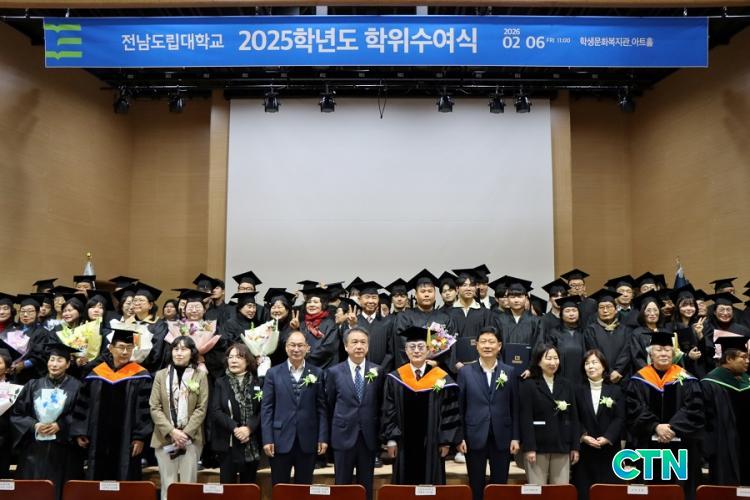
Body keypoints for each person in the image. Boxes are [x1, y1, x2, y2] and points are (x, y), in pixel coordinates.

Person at [626, 331, 703, 500]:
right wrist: (655, 426)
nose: (663, 353)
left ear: (673, 354)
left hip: (681, 448)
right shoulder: (639, 379)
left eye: (668, 350)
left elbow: (694, 409)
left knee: (679, 490)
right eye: (659, 350)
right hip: (647, 448)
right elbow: (634, 409)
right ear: (651, 354)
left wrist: (672, 428)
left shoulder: (687, 379)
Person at [381, 325, 460, 485]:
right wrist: (391, 440)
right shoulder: (395, 378)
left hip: (432, 444)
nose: (416, 351)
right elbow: (388, 410)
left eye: (420, 347)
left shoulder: (441, 378)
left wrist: (445, 441)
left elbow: (449, 411)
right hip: (403, 444)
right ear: (406, 350)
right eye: (412, 347)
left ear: (429, 350)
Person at [71, 328, 153, 480]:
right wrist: (81, 431)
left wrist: (140, 437)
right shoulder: (96, 373)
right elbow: (84, 404)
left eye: (129, 348)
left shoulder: (141, 375)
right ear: (110, 348)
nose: (125, 352)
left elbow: (144, 409)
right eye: (121, 347)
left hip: (127, 441)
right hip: (97, 439)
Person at [11, 342, 82, 500]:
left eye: (59, 360)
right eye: (52, 360)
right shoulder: (33, 385)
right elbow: (17, 414)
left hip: (63, 450)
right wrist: (34, 425)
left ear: (68, 364)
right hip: (35, 451)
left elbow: (82, 414)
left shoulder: (78, 387)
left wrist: (61, 425)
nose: (54, 364)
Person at [457, 326, 520, 500]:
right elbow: (460, 408)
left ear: (499, 346)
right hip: (474, 435)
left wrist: (515, 437)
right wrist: (460, 437)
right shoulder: (465, 372)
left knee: (499, 485)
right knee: (476, 484)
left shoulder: (509, 371)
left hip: (502, 436)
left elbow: (515, 407)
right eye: (483, 342)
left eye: (491, 342)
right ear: (476, 345)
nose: (487, 346)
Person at [260, 331, 328, 485]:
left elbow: (322, 408)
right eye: (292, 345)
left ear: (307, 348)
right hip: (279, 440)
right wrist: (267, 439)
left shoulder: (317, 373)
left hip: (308, 439)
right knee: (280, 487)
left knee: (304, 487)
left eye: (300, 345)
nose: (296, 349)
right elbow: (267, 409)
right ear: (286, 347)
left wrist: (322, 437)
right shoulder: (273, 373)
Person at [325, 327, 384, 500]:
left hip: (368, 437)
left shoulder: (378, 371)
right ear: (346, 346)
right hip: (343, 435)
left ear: (368, 346)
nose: (359, 346)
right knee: (342, 486)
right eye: (354, 342)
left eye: (363, 342)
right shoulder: (334, 372)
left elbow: (381, 404)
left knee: (366, 486)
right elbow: (330, 404)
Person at [150, 336, 209, 500]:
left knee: (188, 487)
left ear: (192, 353)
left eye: (184, 349)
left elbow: (201, 408)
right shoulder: (161, 375)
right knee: (167, 485)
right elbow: (154, 407)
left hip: (191, 439)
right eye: (175, 349)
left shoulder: (200, 376)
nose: (179, 353)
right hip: (164, 438)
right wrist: (172, 431)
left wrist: (185, 434)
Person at [519, 343, 580, 485]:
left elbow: (574, 417)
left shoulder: (567, 384)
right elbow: (525, 418)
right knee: (537, 490)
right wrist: (529, 448)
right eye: (548, 358)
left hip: (562, 445)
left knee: (560, 490)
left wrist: (575, 447)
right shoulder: (529, 384)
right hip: (537, 447)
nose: (553, 362)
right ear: (538, 361)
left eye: (556, 358)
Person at [572, 350, 625, 500]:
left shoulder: (616, 390)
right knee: (584, 492)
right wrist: (583, 436)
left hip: (609, 449)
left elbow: (620, 418)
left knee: (609, 493)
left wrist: (608, 437)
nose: (590, 366)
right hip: (585, 450)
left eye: (594, 362)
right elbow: (574, 417)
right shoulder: (577, 390)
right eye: (587, 363)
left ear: (604, 366)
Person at [700, 336, 750, 486]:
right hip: (723, 448)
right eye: (743, 357)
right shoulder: (709, 384)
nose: (747, 361)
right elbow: (705, 422)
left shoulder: (746, 381)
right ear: (729, 359)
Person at [210, 343, 262, 484]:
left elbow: (262, 410)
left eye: (239, 357)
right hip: (228, 442)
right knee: (227, 488)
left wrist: (249, 428)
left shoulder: (258, 382)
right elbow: (216, 411)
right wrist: (236, 428)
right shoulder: (220, 382)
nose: (233, 360)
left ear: (248, 361)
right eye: (230, 357)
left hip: (251, 441)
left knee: (248, 488)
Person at [491, 277, 542, 376]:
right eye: (512, 297)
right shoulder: (498, 320)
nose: (516, 300)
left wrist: (530, 368)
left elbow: (538, 346)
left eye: (520, 296)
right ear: (507, 299)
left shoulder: (536, 321)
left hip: (529, 373)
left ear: (526, 298)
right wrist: (501, 367)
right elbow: (495, 345)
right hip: (503, 372)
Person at [343, 282, 393, 374]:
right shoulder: (352, 322)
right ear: (359, 299)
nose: (371, 301)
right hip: (356, 373)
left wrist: (379, 370)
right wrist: (352, 326)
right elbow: (344, 348)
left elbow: (390, 352)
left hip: (381, 374)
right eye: (367, 297)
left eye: (374, 297)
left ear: (378, 300)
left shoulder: (387, 323)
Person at [584, 289, 632, 384]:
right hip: (600, 377)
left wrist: (618, 370)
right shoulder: (591, 330)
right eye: (601, 307)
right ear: (597, 311)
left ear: (616, 310)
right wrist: (609, 372)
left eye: (609, 307)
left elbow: (626, 353)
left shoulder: (626, 330)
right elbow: (595, 353)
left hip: (622, 376)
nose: (605, 310)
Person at [448, 272, 492, 369]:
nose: (468, 288)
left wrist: (480, 361)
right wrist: (455, 362)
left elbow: (488, 339)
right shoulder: (447, 313)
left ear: (476, 288)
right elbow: (445, 342)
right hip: (454, 367)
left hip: (479, 365)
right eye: (464, 285)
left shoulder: (485, 313)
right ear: (457, 289)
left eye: (472, 285)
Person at [290, 288, 339, 370]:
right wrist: (296, 329)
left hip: (325, 368)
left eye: (316, 302)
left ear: (322, 305)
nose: (311, 305)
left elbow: (329, 348)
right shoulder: (302, 324)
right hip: (304, 368)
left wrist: (307, 357)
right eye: (309, 302)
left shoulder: (330, 323)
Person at [546, 296, 587, 386]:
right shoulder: (554, 333)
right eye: (567, 311)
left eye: (574, 310)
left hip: (582, 378)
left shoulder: (585, 332)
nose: (571, 314)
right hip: (560, 376)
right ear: (561, 314)